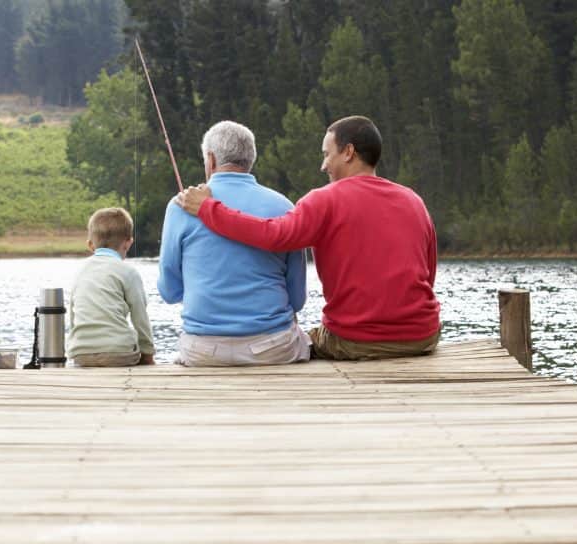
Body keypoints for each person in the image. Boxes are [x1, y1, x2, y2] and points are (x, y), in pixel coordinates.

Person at [175, 115, 440, 360]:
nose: (323, 165)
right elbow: (428, 274)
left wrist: (208, 209)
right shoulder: (413, 200)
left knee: (302, 340)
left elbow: (273, 235)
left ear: (348, 152)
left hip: (356, 341)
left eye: (327, 154)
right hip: (423, 337)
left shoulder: (325, 200)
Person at [158, 120, 310, 367]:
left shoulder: (181, 206)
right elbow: (297, 300)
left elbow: (169, 291)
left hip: (204, 350)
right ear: (251, 160)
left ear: (210, 160)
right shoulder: (284, 206)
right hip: (272, 349)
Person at [67, 207, 155, 367]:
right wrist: (148, 353)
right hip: (119, 352)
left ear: (90, 245)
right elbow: (139, 316)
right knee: (132, 349)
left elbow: (73, 315)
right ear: (128, 243)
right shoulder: (128, 272)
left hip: (81, 353)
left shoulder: (80, 271)